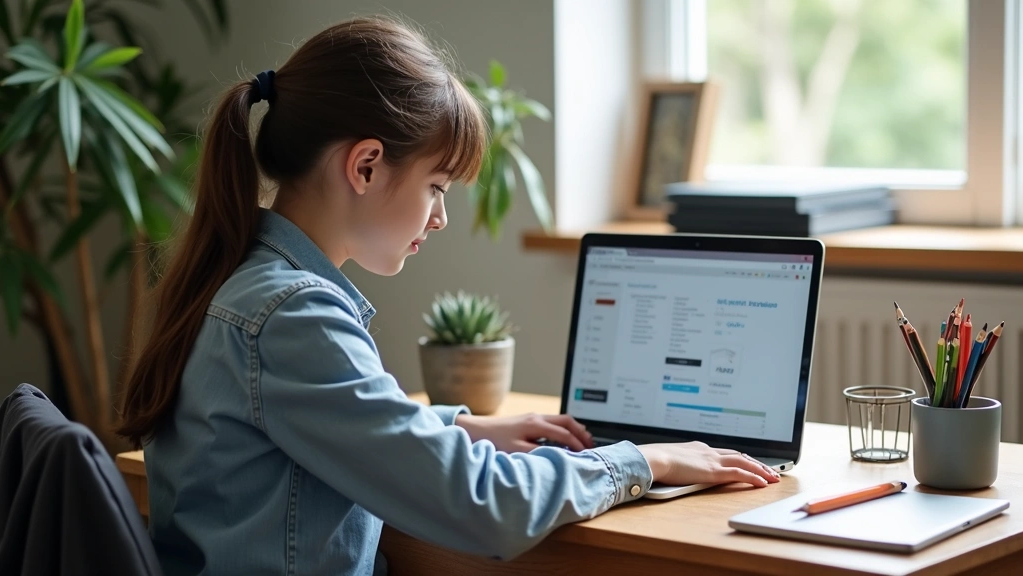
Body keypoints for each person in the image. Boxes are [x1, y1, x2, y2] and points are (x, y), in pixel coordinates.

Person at [117, 16, 779, 576]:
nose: (439, 218)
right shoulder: (295, 315)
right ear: (366, 164)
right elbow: (481, 505)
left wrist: (460, 426)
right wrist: (643, 461)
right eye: (436, 186)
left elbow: (326, 426)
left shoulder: (247, 279)